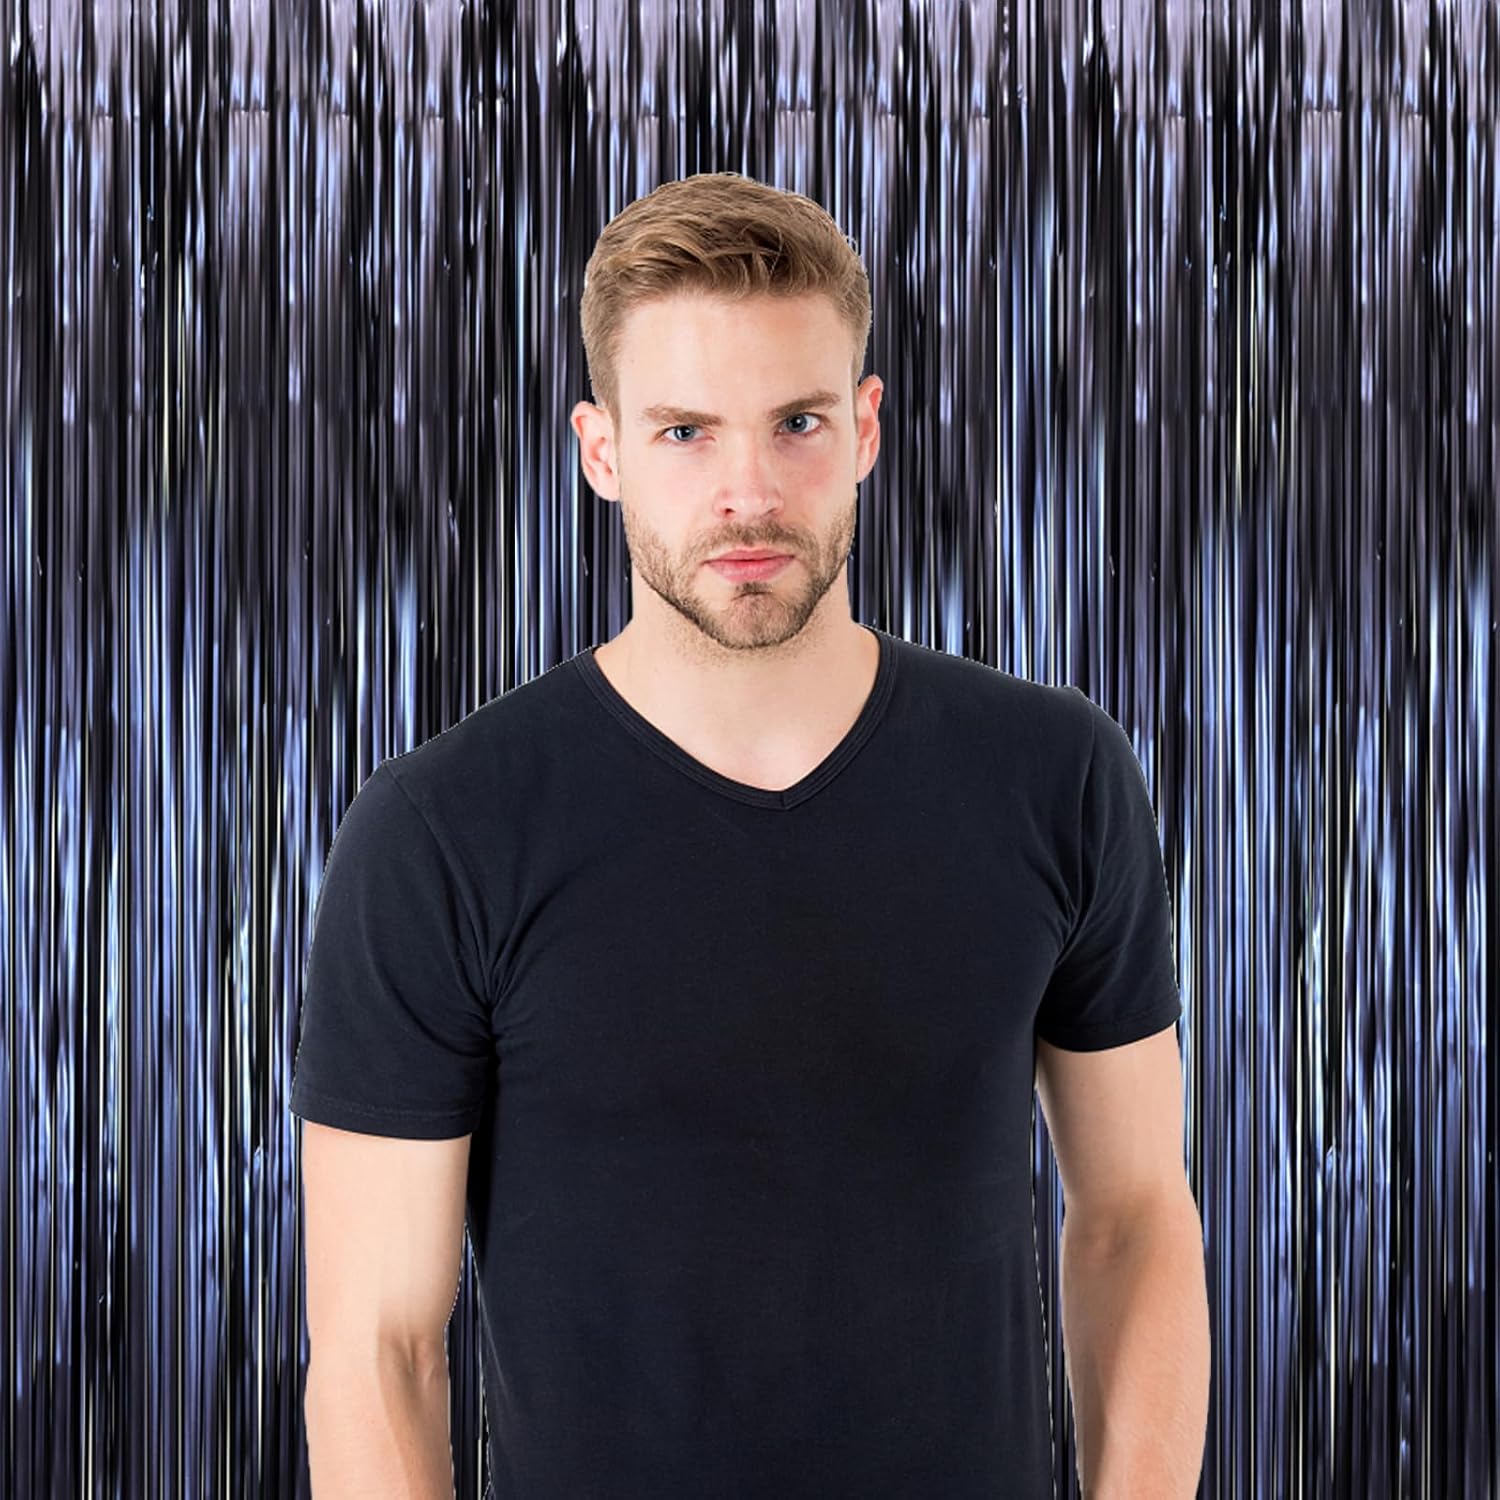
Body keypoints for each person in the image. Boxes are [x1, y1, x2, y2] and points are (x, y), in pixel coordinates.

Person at [291, 171, 1210, 1499]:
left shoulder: (1054, 774)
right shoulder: (441, 832)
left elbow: (1133, 1219)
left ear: (866, 427)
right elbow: (378, 1349)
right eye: (684, 432)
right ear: (601, 450)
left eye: (796, 423)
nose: (749, 493)